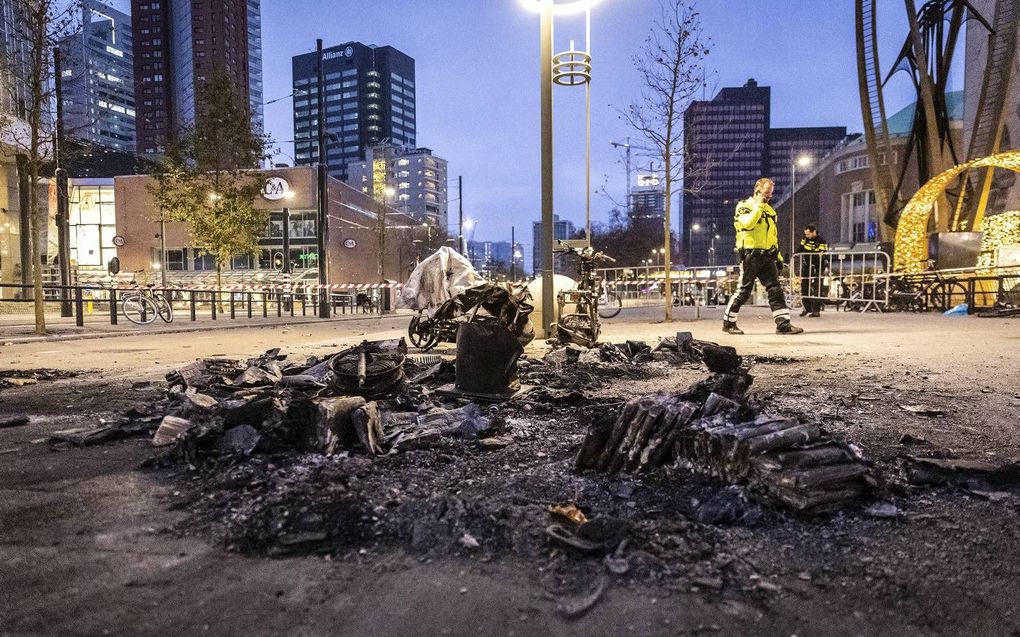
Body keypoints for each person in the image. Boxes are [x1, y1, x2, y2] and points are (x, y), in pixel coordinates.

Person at [722, 177, 804, 335]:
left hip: (767, 256)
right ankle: (729, 323)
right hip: (750, 255)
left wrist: (778, 258)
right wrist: (759, 204)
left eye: (770, 194)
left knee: (776, 290)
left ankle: (783, 325)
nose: (769, 197)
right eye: (766, 194)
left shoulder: (770, 211)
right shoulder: (744, 206)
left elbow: (773, 237)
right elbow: (747, 224)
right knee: (744, 290)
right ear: (757, 191)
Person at [798, 224, 828, 317]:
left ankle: (816, 310)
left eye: (808, 234)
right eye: (806, 234)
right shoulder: (805, 240)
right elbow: (799, 249)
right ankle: (807, 308)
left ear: (814, 232)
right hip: (807, 265)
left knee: (817, 288)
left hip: (818, 266)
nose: (807, 236)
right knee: (804, 286)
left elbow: (821, 253)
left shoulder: (821, 241)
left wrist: (808, 252)